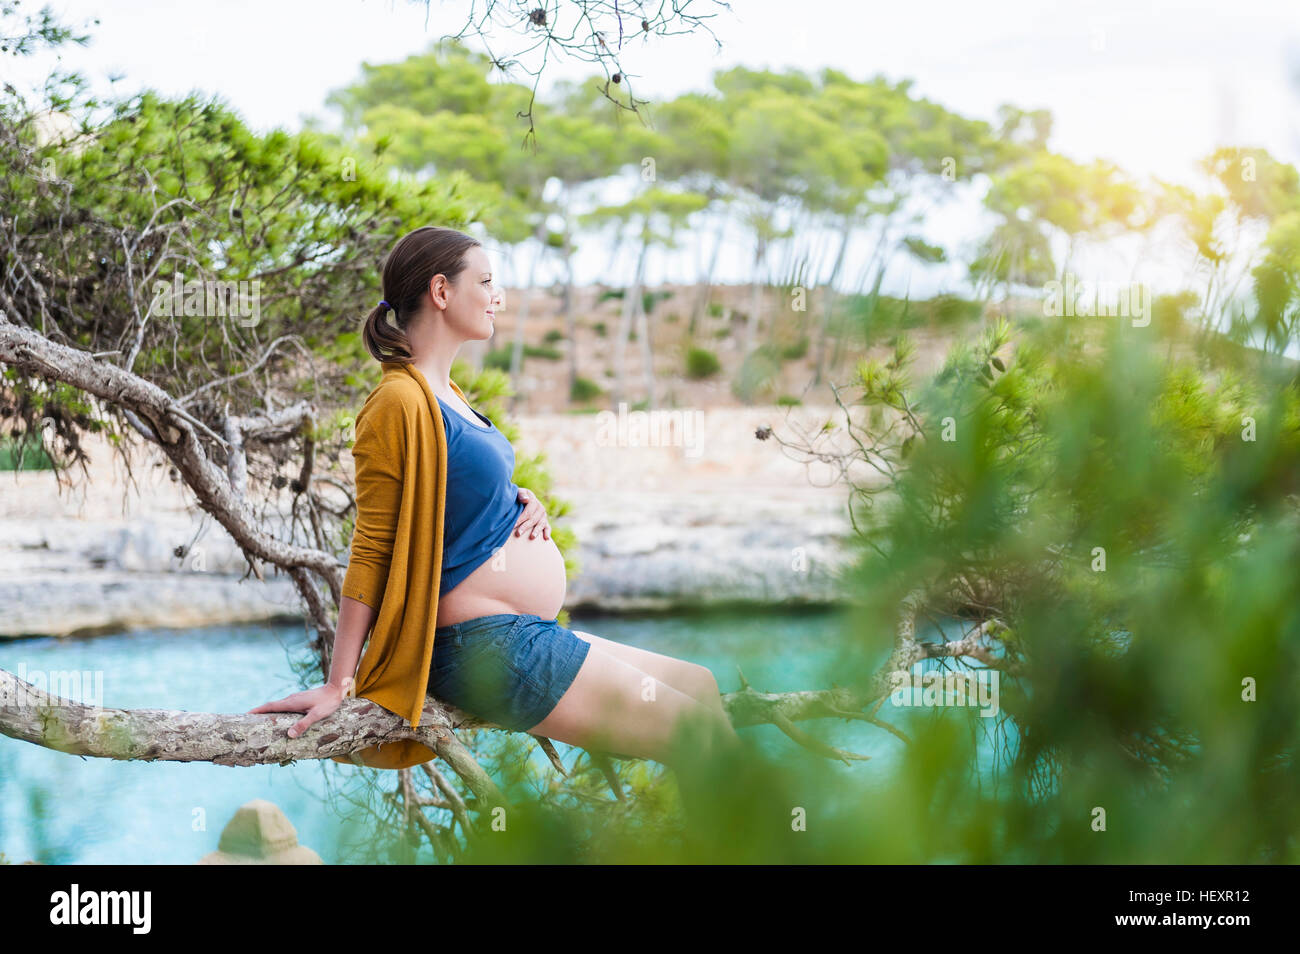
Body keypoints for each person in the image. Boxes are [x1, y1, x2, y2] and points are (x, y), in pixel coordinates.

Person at [250, 225, 744, 815]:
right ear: (440, 290)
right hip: (479, 645)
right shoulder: (397, 402)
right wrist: (339, 681)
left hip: (516, 632)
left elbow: (458, 489)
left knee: (701, 687)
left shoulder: (448, 391)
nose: (497, 296)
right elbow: (373, 544)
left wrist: (518, 498)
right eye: (485, 282)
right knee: (700, 736)